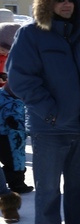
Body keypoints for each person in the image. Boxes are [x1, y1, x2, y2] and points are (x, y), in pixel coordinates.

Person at [6, 0, 80, 224]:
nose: (66, 4)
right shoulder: (31, 34)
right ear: (47, 2)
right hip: (49, 127)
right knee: (48, 189)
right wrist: (49, 111)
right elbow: (20, 79)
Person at [0, 21, 32, 194]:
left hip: (16, 106)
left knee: (16, 149)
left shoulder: (22, 59)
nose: (5, 52)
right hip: (7, 104)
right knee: (8, 150)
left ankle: (17, 181)